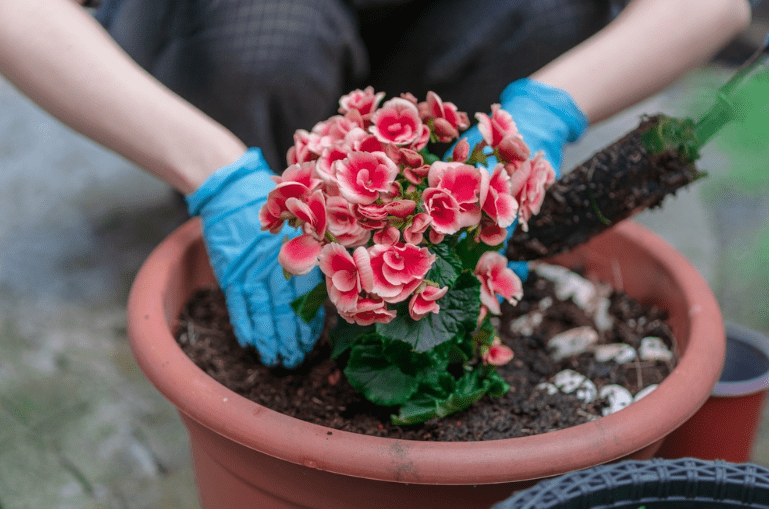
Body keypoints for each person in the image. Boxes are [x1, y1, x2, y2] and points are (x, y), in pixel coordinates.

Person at [0, 0, 756, 367]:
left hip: (442, 44)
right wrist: (215, 173)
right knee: (263, 38)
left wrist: (546, 109)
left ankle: (426, 252)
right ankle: (263, 227)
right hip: (239, 40)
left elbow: (710, 3)